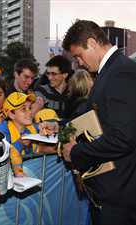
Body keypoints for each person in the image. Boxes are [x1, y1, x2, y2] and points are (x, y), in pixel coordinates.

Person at [62, 20, 136, 225]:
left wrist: (76, 152)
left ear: (92, 43)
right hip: (113, 191)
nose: (79, 63)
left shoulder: (121, 73)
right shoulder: (111, 71)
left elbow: (122, 138)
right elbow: (96, 120)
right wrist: (61, 127)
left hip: (119, 196)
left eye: (78, 56)